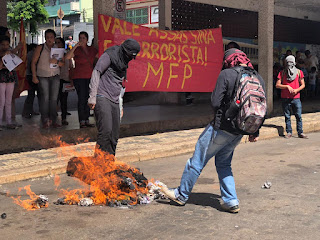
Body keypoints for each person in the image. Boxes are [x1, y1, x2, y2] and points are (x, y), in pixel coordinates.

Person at [160, 48, 265, 213]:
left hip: (221, 128)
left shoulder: (227, 74)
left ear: (229, 60)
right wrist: (254, 131)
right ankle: (231, 201)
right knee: (224, 163)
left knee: (197, 160)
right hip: (240, 131)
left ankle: (181, 195)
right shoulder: (257, 77)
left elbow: (215, 102)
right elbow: (260, 107)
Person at [88, 38, 141, 156]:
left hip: (115, 99)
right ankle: (98, 164)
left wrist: (120, 105)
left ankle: (109, 163)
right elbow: (96, 72)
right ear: (124, 51)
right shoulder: (109, 55)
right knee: (106, 131)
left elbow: (120, 84)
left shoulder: (123, 62)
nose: (130, 59)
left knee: (114, 135)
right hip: (102, 95)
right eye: (129, 55)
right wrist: (92, 97)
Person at [65, 31, 98, 128]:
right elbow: (67, 57)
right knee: (81, 98)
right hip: (79, 77)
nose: (82, 40)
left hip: (90, 77)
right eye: (80, 38)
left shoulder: (92, 50)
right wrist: (75, 46)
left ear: (87, 39)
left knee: (88, 99)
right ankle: (82, 120)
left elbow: (100, 56)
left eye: (83, 38)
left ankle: (86, 119)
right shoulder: (77, 50)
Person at [31, 29, 62, 128]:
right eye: (47, 37)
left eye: (51, 37)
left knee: (54, 99)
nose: (49, 39)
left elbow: (63, 63)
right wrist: (34, 76)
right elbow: (33, 62)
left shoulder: (58, 48)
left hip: (55, 75)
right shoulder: (40, 48)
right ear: (45, 38)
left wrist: (56, 62)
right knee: (45, 98)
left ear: (54, 38)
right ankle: (45, 119)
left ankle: (53, 120)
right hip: (43, 76)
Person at [276, 55, 308, 139]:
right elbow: (277, 85)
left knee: (298, 116)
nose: (289, 64)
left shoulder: (299, 72)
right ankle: (289, 132)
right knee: (287, 116)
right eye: (287, 62)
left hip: (296, 98)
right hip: (285, 98)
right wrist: (286, 86)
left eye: (291, 62)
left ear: (294, 63)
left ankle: (300, 132)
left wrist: (297, 90)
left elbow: (303, 84)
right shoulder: (282, 73)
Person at [0, 35, 19, 130]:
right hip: (1, 79)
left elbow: (16, 66)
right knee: (1, 101)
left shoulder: (10, 53)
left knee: (8, 101)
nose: (5, 46)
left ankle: (9, 121)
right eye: (3, 44)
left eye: (7, 44)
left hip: (10, 78)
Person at [55, 37, 72, 125]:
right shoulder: (53, 54)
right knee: (54, 99)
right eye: (56, 43)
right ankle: (53, 117)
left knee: (64, 99)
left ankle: (64, 117)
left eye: (59, 42)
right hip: (54, 78)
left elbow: (71, 66)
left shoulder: (67, 54)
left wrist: (71, 78)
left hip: (65, 78)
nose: (57, 44)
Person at [22, 44, 39, 118]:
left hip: (30, 75)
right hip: (31, 75)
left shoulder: (29, 54)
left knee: (31, 95)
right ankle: (26, 112)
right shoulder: (32, 54)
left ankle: (29, 111)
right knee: (31, 95)